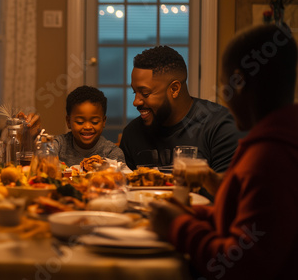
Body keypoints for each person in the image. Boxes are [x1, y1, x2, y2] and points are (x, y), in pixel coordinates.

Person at [150, 24, 298, 279]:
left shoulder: (270, 158)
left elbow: (242, 265)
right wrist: (196, 213)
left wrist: (178, 225)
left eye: (224, 86)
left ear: (239, 82)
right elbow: (249, 222)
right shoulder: (279, 137)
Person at [119, 46, 244, 174]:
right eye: (135, 92)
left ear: (174, 89)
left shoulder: (220, 128)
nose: (135, 102)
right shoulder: (132, 133)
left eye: (145, 93)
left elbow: (226, 191)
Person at [53, 86, 125, 167]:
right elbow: (43, 156)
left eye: (95, 122)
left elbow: (118, 177)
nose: (87, 127)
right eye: (80, 122)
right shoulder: (59, 145)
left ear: (103, 121)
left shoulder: (111, 153)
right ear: (68, 121)